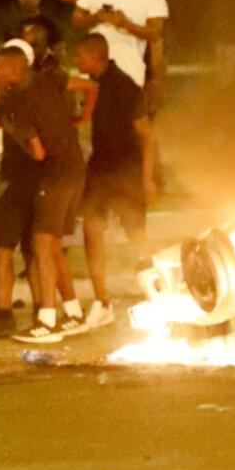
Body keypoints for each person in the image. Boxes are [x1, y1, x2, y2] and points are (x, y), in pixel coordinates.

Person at [0, 48, 89, 343]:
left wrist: (19, 135)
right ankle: (74, 313)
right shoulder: (46, 81)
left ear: (11, 70)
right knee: (51, 244)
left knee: (42, 241)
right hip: (75, 167)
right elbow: (83, 89)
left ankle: (47, 321)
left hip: (52, 173)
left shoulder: (17, 100)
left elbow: (37, 152)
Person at [74, 34, 156, 330]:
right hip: (101, 167)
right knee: (92, 228)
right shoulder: (95, 85)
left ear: (95, 56)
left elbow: (148, 137)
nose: (76, 61)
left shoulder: (124, 86)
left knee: (136, 233)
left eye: (80, 56)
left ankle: (158, 290)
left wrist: (147, 177)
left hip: (127, 169)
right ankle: (101, 302)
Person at [71, 0, 169, 113]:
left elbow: (155, 33)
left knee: (129, 131)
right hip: (95, 73)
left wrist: (125, 24)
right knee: (98, 131)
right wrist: (96, 18)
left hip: (130, 74)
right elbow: (76, 20)